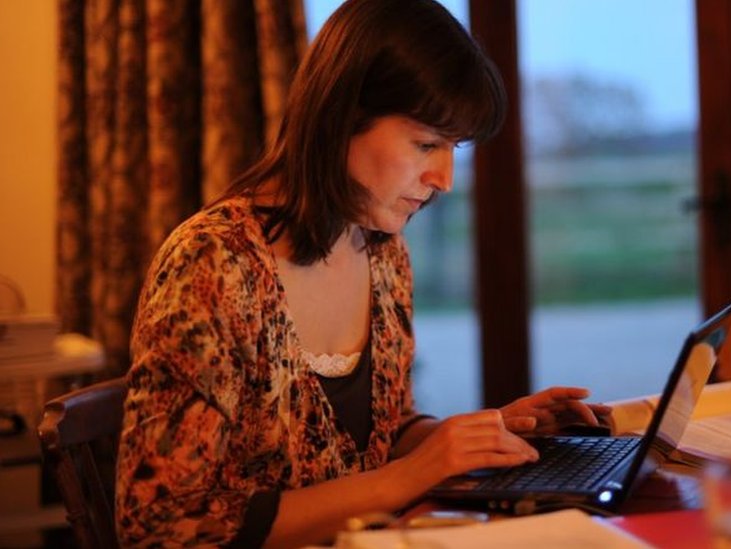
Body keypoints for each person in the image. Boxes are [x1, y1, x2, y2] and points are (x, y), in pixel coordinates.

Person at [115, 0, 610, 546]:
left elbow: (386, 432)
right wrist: (408, 477)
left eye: (453, 148)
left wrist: (481, 434)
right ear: (342, 117)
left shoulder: (383, 252)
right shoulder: (212, 263)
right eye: (426, 143)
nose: (444, 178)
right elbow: (162, 526)